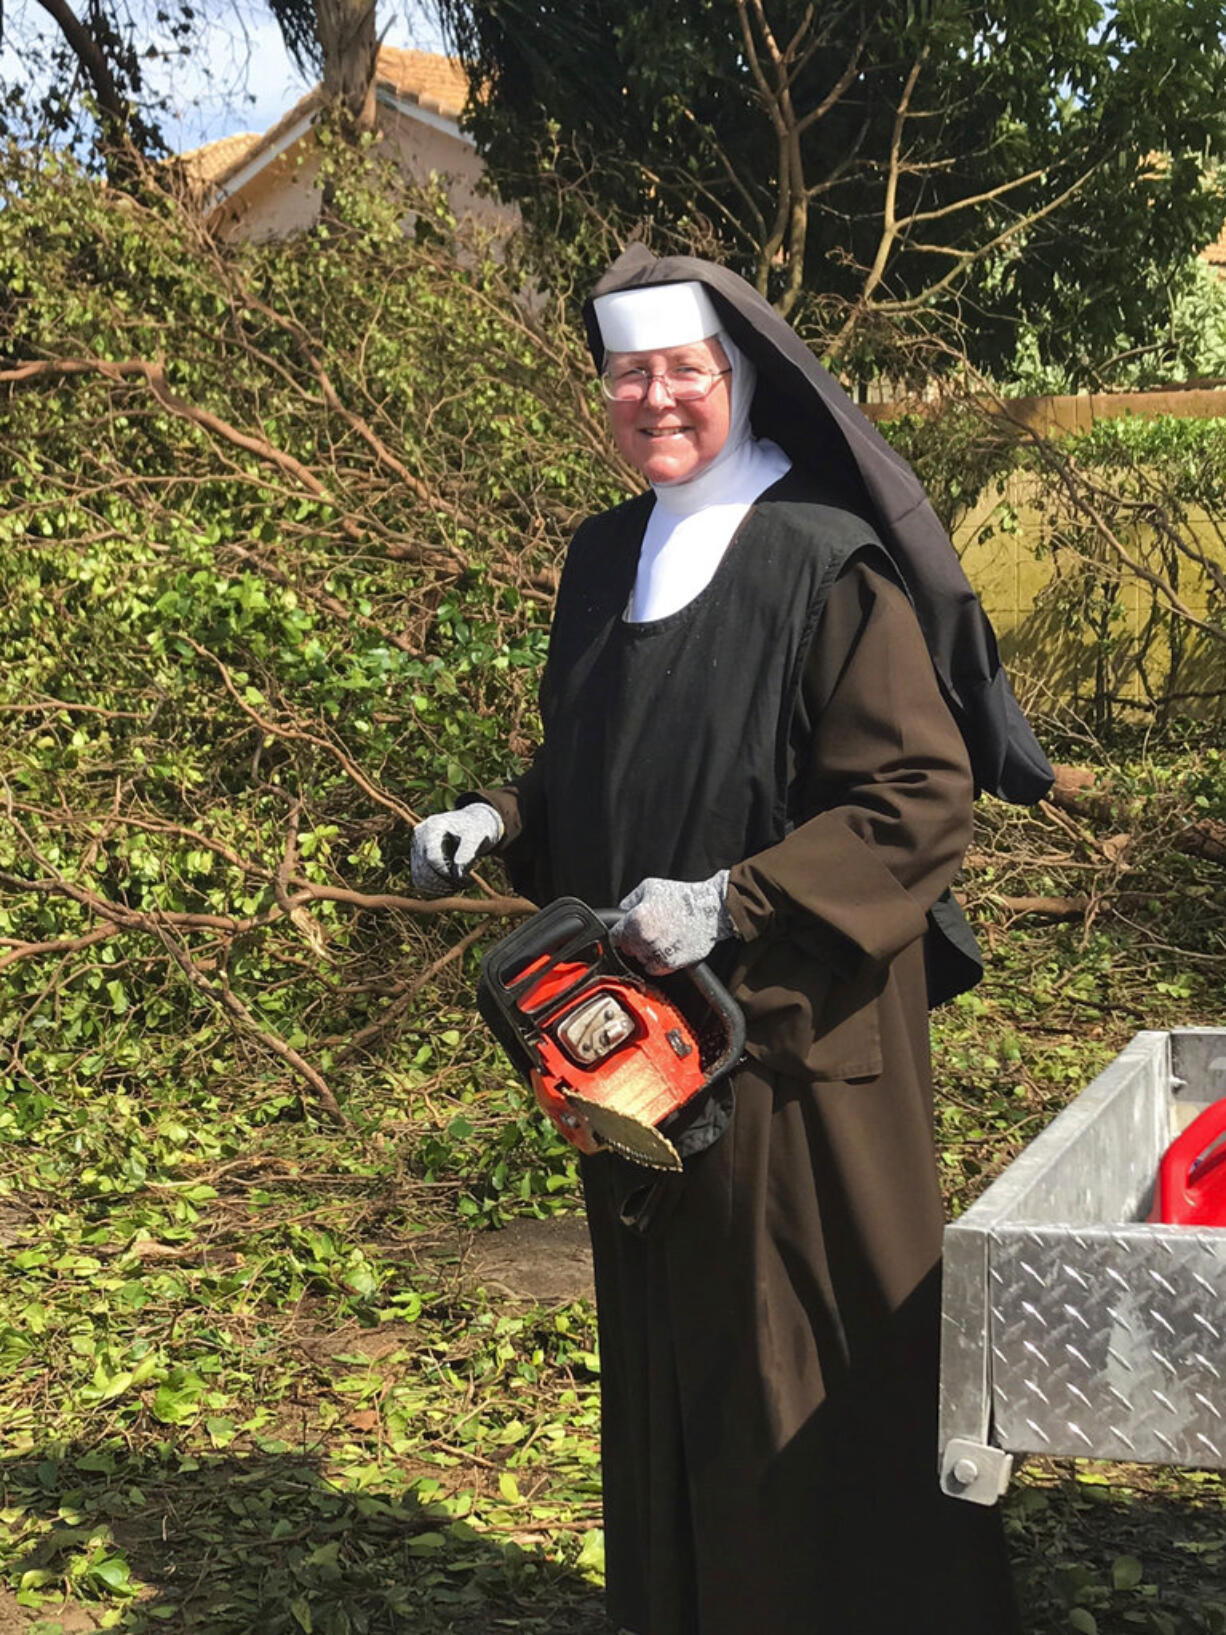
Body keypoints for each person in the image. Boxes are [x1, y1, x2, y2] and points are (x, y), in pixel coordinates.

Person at [411, 245, 1051, 1635]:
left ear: (737, 373)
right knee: (676, 1346)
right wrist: (498, 814)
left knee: (813, 1362)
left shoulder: (822, 558)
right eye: (627, 372)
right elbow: (594, 760)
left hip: (797, 1046)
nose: (654, 398)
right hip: (639, 1052)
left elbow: (916, 796)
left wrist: (732, 902)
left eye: (681, 370)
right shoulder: (602, 557)